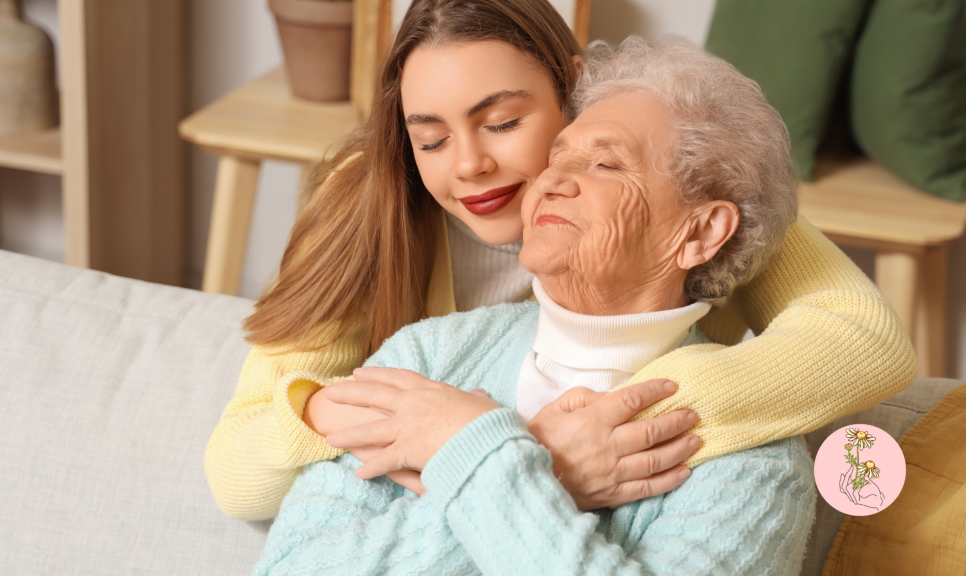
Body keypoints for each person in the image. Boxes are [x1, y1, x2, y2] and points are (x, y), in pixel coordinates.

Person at [206, 0, 915, 521]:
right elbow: (237, 470)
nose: (470, 166)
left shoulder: (680, 201)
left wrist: (609, 430)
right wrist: (344, 416)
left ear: (573, 90)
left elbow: (867, 340)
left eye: (503, 123)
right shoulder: (367, 201)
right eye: (431, 140)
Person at [253, 37, 815, 576]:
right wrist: (548, 467)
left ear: (701, 231)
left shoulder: (753, 458)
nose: (551, 182)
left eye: (607, 165)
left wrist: (480, 453)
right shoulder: (426, 356)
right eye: (557, 157)